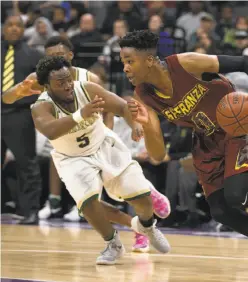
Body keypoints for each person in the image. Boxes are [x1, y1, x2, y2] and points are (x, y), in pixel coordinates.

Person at [119, 30, 248, 280]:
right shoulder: (143, 96)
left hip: (238, 125)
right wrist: (147, 125)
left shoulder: (185, 64)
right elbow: (158, 154)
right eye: (123, 61)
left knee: (235, 197)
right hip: (206, 140)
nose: (124, 68)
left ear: (149, 60)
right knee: (222, 211)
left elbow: (246, 63)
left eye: (129, 61)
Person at [2, 36, 170, 253]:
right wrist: (18, 92)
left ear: (70, 56)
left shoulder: (87, 80)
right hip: (70, 150)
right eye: (51, 56)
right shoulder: (40, 79)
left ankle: (146, 192)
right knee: (90, 205)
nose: (56, 59)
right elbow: (6, 99)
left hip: (97, 138)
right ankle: (131, 229)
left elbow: (110, 108)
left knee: (129, 189)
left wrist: (127, 127)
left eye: (60, 56)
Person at [1, 15, 42, 225]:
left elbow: (41, 86)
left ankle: (30, 211)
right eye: (10, 25)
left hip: (20, 115)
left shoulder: (34, 54)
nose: (14, 29)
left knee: (27, 164)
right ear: (3, 28)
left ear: (24, 29)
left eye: (18, 25)